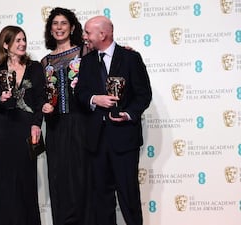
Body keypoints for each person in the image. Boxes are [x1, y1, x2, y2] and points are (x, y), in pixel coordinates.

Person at [75, 16, 152, 225]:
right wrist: (94, 99)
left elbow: (143, 95)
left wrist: (127, 114)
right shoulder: (87, 61)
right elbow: (80, 93)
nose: (84, 37)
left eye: (88, 32)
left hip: (124, 139)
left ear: (103, 34)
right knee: (101, 199)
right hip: (96, 141)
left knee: (129, 198)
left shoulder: (130, 58)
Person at [0, 25, 44, 225]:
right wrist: (0, 99)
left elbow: (40, 99)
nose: (22, 44)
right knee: (3, 181)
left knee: (26, 180)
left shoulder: (35, 67)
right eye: (17, 40)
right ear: (5, 44)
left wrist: (37, 124)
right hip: (2, 128)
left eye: (24, 40)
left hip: (26, 129)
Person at [40, 7, 91, 225]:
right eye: (55, 24)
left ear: (72, 28)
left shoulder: (85, 53)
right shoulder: (44, 62)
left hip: (81, 123)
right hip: (55, 126)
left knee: (81, 177)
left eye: (63, 23)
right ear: (50, 29)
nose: (59, 27)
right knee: (58, 177)